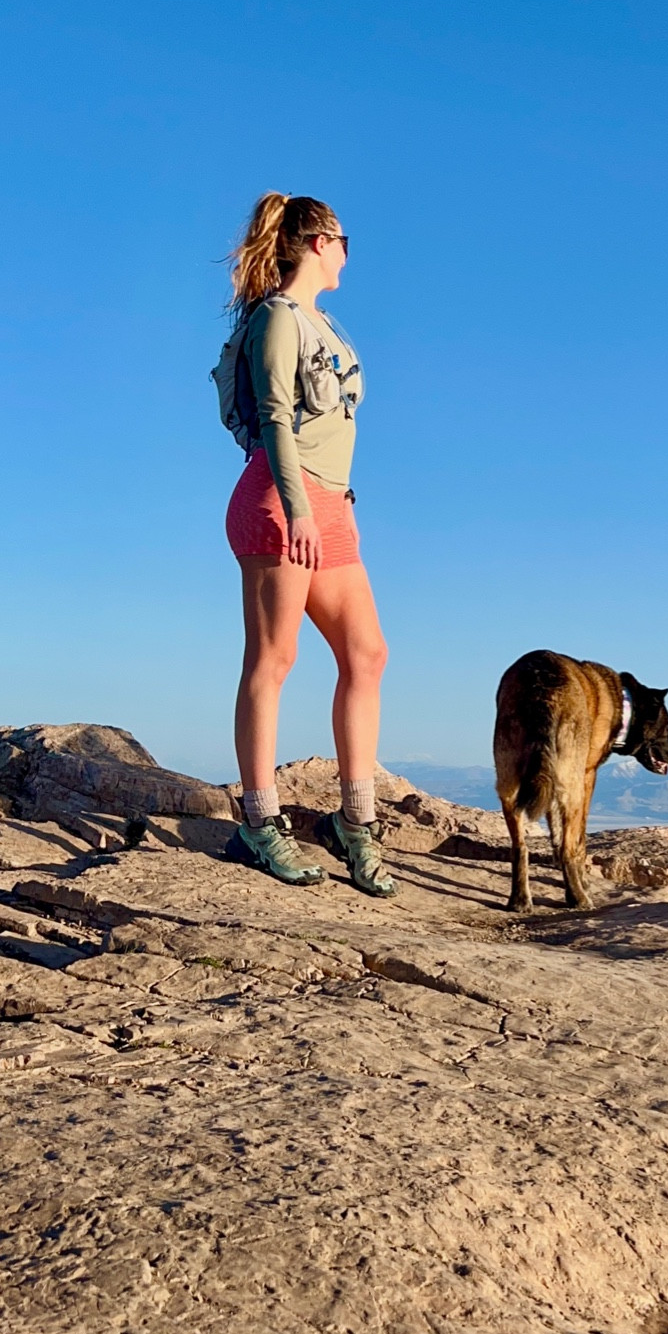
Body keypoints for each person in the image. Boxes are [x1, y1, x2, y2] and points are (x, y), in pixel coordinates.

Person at [219, 192, 396, 896]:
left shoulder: (326, 323)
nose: (349, 253)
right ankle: (258, 821)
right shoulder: (277, 318)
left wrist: (331, 509)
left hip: (331, 504)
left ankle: (355, 821)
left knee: (367, 653)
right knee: (274, 657)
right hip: (279, 500)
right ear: (321, 241)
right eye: (345, 240)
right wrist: (297, 509)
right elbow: (273, 420)